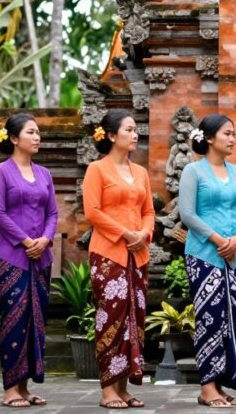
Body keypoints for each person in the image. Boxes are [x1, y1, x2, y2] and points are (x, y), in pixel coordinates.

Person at [177, 114, 236, 408]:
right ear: (209, 138)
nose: (233, 138)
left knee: (232, 321)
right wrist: (218, 240)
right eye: (227, 133)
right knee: (209, 318)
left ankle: (221, 384)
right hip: (204, 255)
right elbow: (188, 214)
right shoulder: (193, 172)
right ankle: (207, 386)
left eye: (234, 133)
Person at [82, 109, 155, 410]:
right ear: (111, 135)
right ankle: (108, 389)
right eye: (128, 129)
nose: (135, 134)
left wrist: (144, 234)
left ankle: (123, 387)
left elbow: (149, 211)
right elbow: (93, 212)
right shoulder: (96, 170)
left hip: (137, 255)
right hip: (108, 253)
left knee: (133, 320)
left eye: (136, 129)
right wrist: (126, 233)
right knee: (110, 318)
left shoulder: (141, 173)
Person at [0, 113, 58, 408]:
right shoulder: (0, 172)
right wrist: (26, 241)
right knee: (14, 319)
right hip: (11, 256)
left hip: (41, 258)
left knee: (36, 321)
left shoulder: (44, 174)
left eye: (38, 132)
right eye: (31, 132)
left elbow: (52, 213)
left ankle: (26, 386)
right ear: (14, 138)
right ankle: (10, 389)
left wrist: (44, 240)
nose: (37, 137)